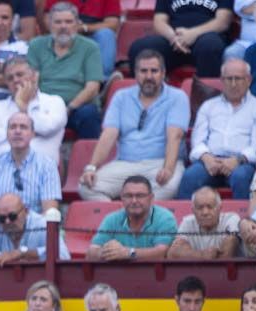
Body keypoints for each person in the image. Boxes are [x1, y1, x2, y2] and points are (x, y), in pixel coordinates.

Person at [79, 50, 188, 201]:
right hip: (125, 164)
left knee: (169, 187)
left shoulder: (177, 97)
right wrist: (92, 168)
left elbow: (174, 136)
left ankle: (136, 213)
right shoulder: (121, 97)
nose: (149, 76)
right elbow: (108, 134)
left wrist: (168, 169)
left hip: (159, 164)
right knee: (87, 187)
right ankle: (120, 215)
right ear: (135, 74)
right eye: (143, 71)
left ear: (163, 74)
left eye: (154, 71)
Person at [177, 59, 256, 200]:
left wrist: (237, 160)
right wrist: (206, 158)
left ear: (248, 80)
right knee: (190, 176)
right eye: (229, 79)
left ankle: (243, 215)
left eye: (238, 79)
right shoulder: (208, 106)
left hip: (241, 163)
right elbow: (197, 140)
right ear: (222, 80)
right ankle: (184, 215)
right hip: (210, 161)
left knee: (241, 177)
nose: (233, 84)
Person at [28, 3, 103, 140]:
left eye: (68, 22)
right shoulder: (36, 45)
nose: (63, 26)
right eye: (58, 22)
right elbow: (32, 82)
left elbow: (92, 88)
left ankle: (89, 154)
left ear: (77, 24)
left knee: (89, 114)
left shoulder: (90, 48)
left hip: (77, 107)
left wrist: (69, 108)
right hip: (45, 106)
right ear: (50, 24)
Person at [0, 57, 67, 164]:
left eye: (20, 75)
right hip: (2, 169)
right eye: (10, 78)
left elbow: (47, 128)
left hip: (41, 169)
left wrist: (24, 108)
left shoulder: (54, 101)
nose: (15, 80)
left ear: (34, 76)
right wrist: (24, 132)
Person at [0, 111, 61, 223]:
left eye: (23, 127)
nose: (17, 131)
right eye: (13, 127)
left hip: (35, 229)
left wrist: (23, 229)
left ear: (33, 134)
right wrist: (1, 228)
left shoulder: (47, 165)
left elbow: (50, 212)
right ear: (7, 134)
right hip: (0, 227)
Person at [127, 0, 232, 78]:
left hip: (205, 36)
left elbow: (223, 22)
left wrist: (193, 34)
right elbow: (159, 22)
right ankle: (143, 97)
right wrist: (174, 38)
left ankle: (207, 99)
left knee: (210, 46)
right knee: (139, 48)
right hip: (174, 39)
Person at [87, 174, 178, 260]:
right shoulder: (111, 219)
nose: (134, 201)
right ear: (122, 198)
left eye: (140, 196)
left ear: (151, 198)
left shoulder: (165, 218)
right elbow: (92, 251)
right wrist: (107, 252)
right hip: (119, 271)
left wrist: (129, 253)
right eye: (128, 196)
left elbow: (161, 253)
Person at [0, 192, 70, 264]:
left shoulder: (41, 223)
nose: (7, 221)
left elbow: (63, 255)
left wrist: (23, 253)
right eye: (2, 218)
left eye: (12, 216)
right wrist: (7, 256)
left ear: (26, 211)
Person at [169, 187, 242, 258]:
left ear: (219, 208)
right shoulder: (187, 222)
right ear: (193, 210)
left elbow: (227, 253)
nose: (205, 212)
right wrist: (202, 255)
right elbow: (173, 253)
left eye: (210, 207)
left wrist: (190, 254)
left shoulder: (231, 219)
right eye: (200, 208)